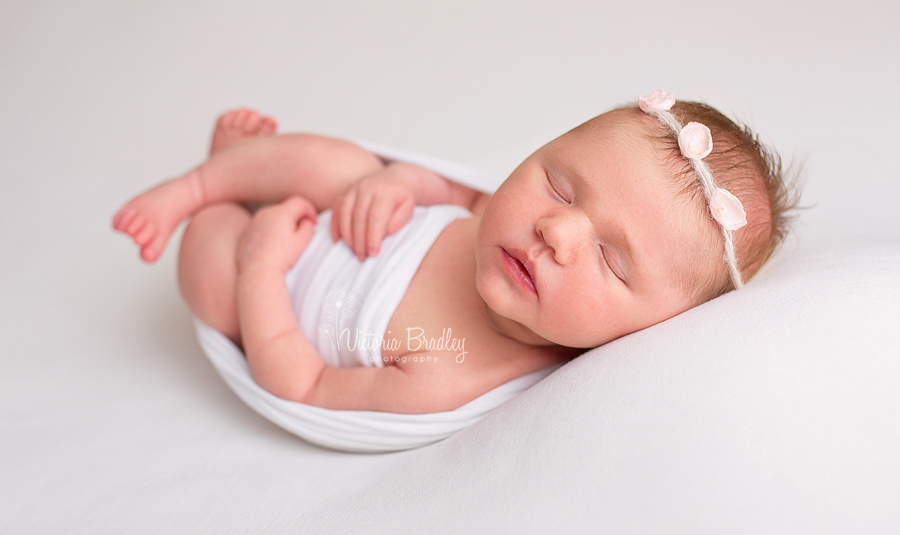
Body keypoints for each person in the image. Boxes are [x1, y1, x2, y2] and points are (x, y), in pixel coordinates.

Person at [112, 90, 799, 414]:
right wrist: (396, 184)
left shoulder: (455, 370)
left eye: (611, 262)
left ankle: (218, 197)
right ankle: (213, 175)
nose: (558, 233)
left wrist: (260, 266)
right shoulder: (485, 222)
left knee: (210, 285)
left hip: (278, 299)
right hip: (351, 218)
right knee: (346, 165)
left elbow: (303, 385)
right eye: (558, 186)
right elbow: (447, 188)